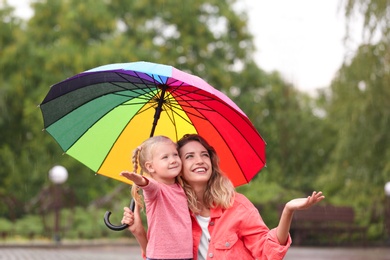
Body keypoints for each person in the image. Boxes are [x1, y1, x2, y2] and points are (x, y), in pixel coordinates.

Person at [122, 134, 325, 260]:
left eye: (204, 155)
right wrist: (140, 233)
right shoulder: (174, 208)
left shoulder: (237, 205)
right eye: (189, 156)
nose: (200, 161)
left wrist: (288, 211)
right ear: (179, 168)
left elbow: (267, 253)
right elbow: (159, 255)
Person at [120, 135, 193, 260]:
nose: (173, 160)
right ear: (150, 167)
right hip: (161, 256)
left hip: (185, 255)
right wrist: (140, 180)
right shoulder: (156, 190)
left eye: (175, 155)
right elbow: (149, 185)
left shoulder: (180, 187)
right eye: (165, 157)